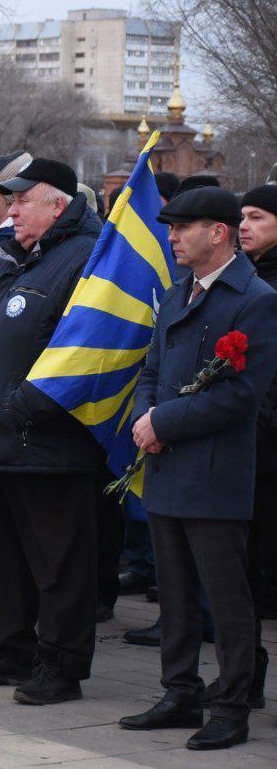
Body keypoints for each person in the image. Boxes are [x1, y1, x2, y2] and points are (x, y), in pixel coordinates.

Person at [118, 187, 277, 751]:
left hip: (214, 471)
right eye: (170, 228)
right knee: (176, 594)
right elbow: (151, 370)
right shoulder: (177, 292)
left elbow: (241, 396)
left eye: (183, 228)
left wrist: (164, 422)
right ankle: (179, 691)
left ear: (218, 232)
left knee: (226, 598)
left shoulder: (255, 299)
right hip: (166, 466)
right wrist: (146, 418)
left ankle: (232, 705)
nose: (172, 237)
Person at [0, 158, 103, 705]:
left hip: (43, 443)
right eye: (8, 201)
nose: (10, 211)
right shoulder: (12, 257)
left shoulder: (86, 257)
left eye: (21, 201)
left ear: (57, 204)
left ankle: (61, 664)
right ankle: (7, 647)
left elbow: (89, 351)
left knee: (58, 564)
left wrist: (22, 406)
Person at [238, 183, 277, 690]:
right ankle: (244, 673)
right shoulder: (248, 276)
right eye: (242, 216)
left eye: (258, 217)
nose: (244, 225)